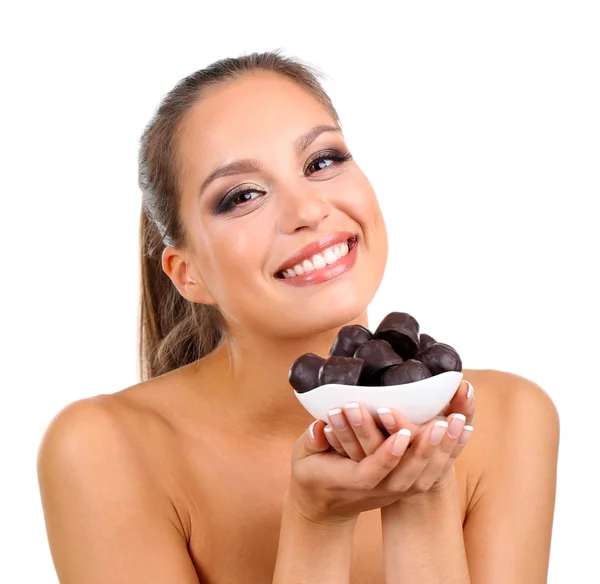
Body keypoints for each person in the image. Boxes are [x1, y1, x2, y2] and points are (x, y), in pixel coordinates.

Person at [37, 50, 560, 583]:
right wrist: (317, 522)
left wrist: (422, 498)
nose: (308, 210)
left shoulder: (512, 419)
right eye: (242, 196)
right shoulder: (104, 451)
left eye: (321, 162)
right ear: (187, 272)